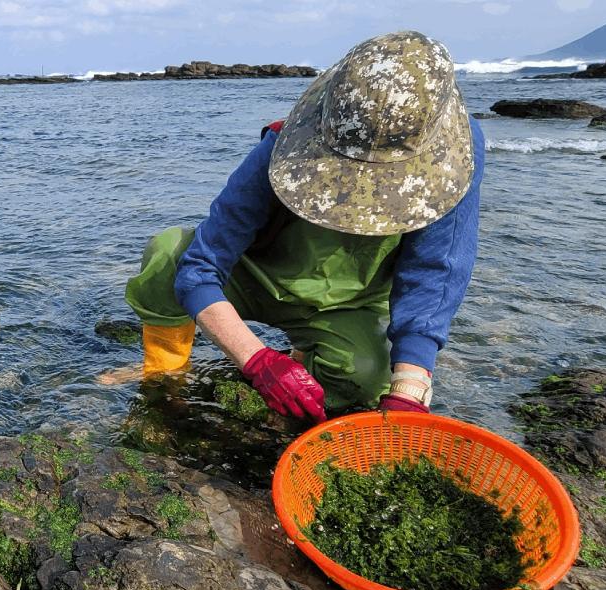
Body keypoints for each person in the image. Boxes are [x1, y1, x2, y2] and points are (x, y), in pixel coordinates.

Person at [114, 30, 484, 423]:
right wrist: (256, 360)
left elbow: (435, 270)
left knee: (366, 380)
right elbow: (200, 267)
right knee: (169, 251)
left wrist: (410, 386)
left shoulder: (454, 163)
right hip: (256, 277)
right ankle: (165, 373)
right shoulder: (283, 143)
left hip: (348, 303)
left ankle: (303, 361)